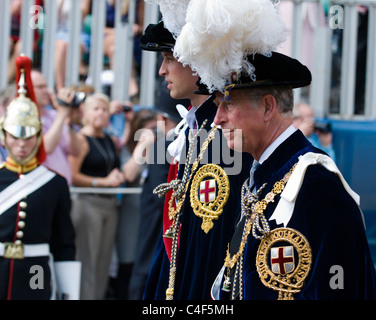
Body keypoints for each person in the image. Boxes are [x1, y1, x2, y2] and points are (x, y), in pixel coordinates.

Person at [173, 0, 376, 299]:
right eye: (217, 106)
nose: (218, 119)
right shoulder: (261, 177)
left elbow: (340, 287)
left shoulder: (316, 185)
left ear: (268, 106)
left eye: (227, 104)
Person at [140, 21, 252, 300]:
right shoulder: (194, 129)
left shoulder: (222, 137)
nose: (161, 70)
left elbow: (212, 244)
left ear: (197, 62)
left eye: (169, 59)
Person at [0, 55, 80, 300]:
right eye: (15, 136)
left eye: (28, 137)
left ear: (37, 137)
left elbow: (63, 242)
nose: (21, 144)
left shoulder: (54, 183)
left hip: (35, 268)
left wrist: (68, 293)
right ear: (4, 137)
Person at [127, 81, 190, 300]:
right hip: (178, 230)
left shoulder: (163, 145)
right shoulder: (189, 142)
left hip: (158, 227)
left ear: (162, 119)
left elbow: (158, 193)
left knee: (146, 277)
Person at [68, 92, 124, 300]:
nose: (100, 113)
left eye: (104, 108)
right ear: (85, 113)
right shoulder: (81, 139)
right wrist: (103, 182)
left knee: (104, 261)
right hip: (88, 202)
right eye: (95, 108)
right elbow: (72, 175)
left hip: (109, 204)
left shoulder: (109, 138)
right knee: (87, 259)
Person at [114, 108, 158, 299]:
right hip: (132, 214)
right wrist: (143, 145)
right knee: (128, 259)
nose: (155, 134)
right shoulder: (130, 149)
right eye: (149, 129)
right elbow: (129, 174)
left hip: (153, 216)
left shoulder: (164, 150)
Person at [31, 70, 81, 185]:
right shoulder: (25, 119)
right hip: (42, 187)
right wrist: (62, 113)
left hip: (63, 188)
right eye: (40, 87)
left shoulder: (54, 116)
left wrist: (70, 121)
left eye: (46, 86)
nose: (46, 91)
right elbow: (46, 148)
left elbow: (76, 150)